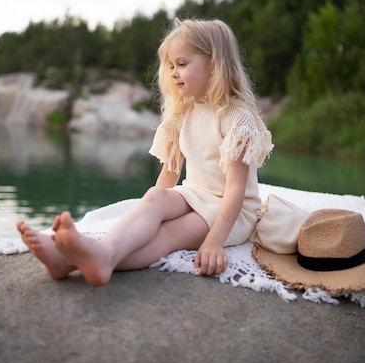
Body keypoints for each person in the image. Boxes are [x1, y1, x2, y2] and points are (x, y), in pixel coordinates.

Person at [17, 18, 273, 286]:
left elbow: (235, 189)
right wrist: (149, 211)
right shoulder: (182, 113)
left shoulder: (236, 117)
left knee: (168, 233)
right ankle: (77, 257)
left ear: (214, 65)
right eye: (171, 66)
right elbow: (170, 175)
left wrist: (213, 242)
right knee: (154, 197)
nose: (174, 73)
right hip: (194, 194)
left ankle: (89, 259)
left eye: (183, 64)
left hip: (231, 210)